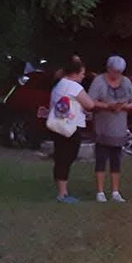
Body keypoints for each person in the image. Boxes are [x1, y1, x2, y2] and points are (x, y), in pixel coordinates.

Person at [47, 55, 101, 203]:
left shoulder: (59, 84)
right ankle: (62, 194)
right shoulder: (73, 86)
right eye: (82, 73)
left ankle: (61, 191)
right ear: (75, 73)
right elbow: (89, 104)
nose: (83, 76)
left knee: (60, 157)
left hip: (58, 126)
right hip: (69, 128)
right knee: (66, 158)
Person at [87, 55, 132, 202]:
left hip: (119, 128)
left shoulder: (126, 82)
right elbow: (90, 101)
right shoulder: (99, 81)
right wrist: (107, 106)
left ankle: (115, 192)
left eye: (120, 72)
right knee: (101, 159)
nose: (117, 75)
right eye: (115, 71)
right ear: (108, 69)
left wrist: (124, 106)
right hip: (103, 127)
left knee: (116, 160)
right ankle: (100, 192)